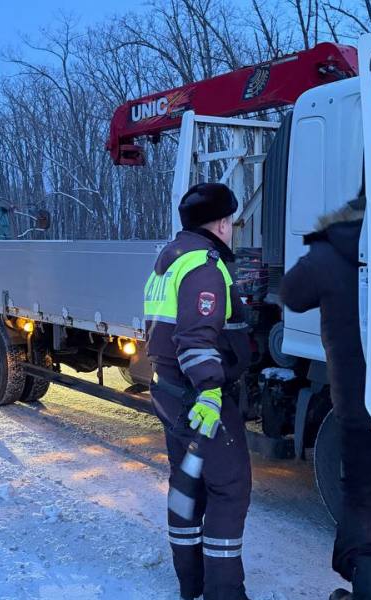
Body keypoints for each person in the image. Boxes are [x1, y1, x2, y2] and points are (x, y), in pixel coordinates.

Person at [280, 198, 371, 600]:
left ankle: (364, 590)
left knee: (364, 493)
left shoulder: (329, 252)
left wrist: (317, 253)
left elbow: (291, 294)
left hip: (356, 396)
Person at [144, 182, 252, 600]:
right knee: (229, 488)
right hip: (198, 399)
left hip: (169, 391)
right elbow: (195, 339)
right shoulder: (204, 267)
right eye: (231, 222)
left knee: (188, 486)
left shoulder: (169, 261)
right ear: (222, 223)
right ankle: (224, 592)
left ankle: (191, 583)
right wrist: (210, 391)